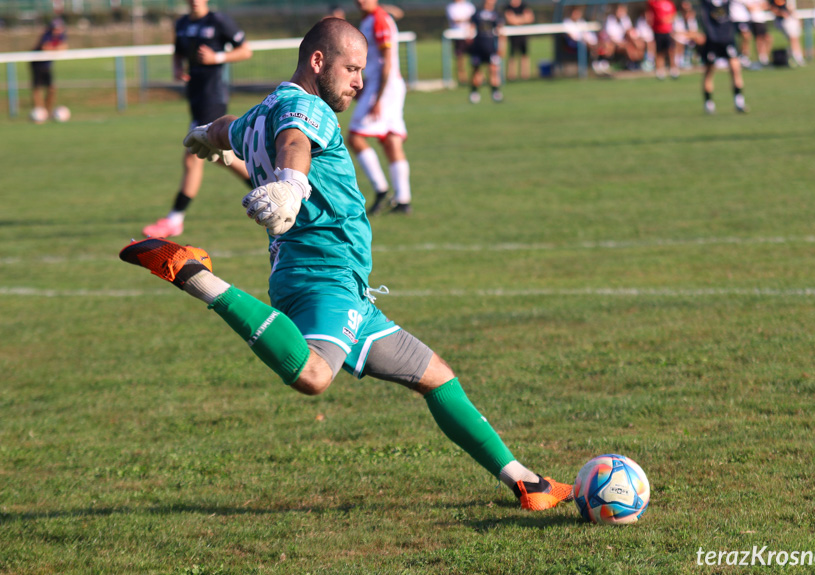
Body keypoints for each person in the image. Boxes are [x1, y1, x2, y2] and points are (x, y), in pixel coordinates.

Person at [120, 17, 572, 512]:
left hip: (336, 284)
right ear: (318, 62)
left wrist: (209, 137)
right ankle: (195, 275)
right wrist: (290, 184)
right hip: (324, 276)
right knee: (314, 375)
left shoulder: (261, 111)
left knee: (435, 376)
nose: (359, 81)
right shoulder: (304, 107)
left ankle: (526, 482)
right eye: (352, 69)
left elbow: (233, 130)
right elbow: (294, 144)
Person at [141, 0, 253, 239]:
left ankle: (175, 219)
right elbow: (178, 52)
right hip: (195, 98)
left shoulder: (218, 21)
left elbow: (246, 50)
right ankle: (267, 188)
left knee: (193, 156)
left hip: (213, 99)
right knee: (222, 158)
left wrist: (217, 57)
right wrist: (176, 67)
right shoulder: (181, 23)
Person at [348, 0, 412, 216]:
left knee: (355, 136)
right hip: (386, 85)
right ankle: (403, 199)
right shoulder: (373, 18)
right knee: (391, 139)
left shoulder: (378, 20)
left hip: (383, 87)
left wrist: (378, 97)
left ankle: (381, 189)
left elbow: (387, 61)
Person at [700, 0, 747, 114]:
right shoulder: (707, 3)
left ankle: (739, 101)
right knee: (709, 72)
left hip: (727, 40)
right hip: (712, 41)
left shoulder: (727, 3)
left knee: (735, 69)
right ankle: (709, 103)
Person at [30, 17, 67, 123]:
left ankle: (48, 112)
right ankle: (39, 114)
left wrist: (54, 49)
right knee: (37, 89)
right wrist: (56, 49)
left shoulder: (61, 35)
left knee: (52, 88)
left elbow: (64, 46)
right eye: (55, 28)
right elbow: (45, 48)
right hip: (37, 64)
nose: (57, 30)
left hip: (47, 65)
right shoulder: (47, 34)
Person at [467, 0, 505, 104]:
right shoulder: (477, 13)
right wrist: (469, 42)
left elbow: (500, 32)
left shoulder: (497, 14)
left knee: (493, 69)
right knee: (476, 70)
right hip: (478, 46)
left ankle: (495, 93)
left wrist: (501, 47)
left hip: (491, 47)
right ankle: (474, 93)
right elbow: (471, 29)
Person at [446, 0, 476, 85]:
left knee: (474, 57)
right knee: (460, 57)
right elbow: (455, 20)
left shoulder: (469, 5)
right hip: (457, 35)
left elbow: (473, 19)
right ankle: (462, 78)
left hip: (470, 34)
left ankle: (475, 77)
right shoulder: (451, 7)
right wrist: (466, 19)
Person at [503, 0, 535, 81]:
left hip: (523, 35)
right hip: (513, 35)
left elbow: (530, 18)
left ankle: (525, 76)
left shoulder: (524, 6)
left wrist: (517, 19)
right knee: (512, 56)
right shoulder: (508, 7)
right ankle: (511, 76)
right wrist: (523, 18)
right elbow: (511, 20)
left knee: (525, 55)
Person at [646, 0, 678, 79]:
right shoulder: (654, 3)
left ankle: (673, 70)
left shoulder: (669, 3)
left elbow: (674, 14)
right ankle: (660, 71)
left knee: (671, 51)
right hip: (658, 31)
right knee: (659, 52)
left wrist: (667, 19)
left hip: (668, 31)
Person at [769, 0, 805, 66]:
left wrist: (796, 17)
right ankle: (796, 57)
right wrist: (781, 13)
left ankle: (797, 56)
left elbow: (791, 8)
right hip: (783, 20)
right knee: (792, 38)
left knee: (796, 39)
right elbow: (772, 8)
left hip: (791, 19)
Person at [672, 0, 704, 68]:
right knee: (679, 41)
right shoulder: (677, 17)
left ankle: (701, 58)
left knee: (701, 38)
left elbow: (694, 31)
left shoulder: (692, 18)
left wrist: (689, 34)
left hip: (689, 37)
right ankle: (678, 61)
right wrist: (688, 34)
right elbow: (677, 32)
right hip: (679, 38)